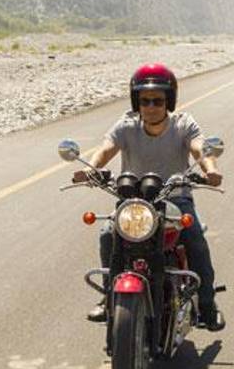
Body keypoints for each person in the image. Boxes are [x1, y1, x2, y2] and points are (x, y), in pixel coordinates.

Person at [72, 63, 225, 331]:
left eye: (157, 100)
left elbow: (200, 147)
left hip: (175, 200)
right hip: (134, 201)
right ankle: (109, 298)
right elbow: (106, 148)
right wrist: (90, 168)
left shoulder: (183, 124)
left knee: (196, 241)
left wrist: (210, 170)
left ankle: (208, 306)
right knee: (108, 234)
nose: (151, 106)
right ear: (136, 101)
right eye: (144, 100)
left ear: (169, 100)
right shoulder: (127, 124)